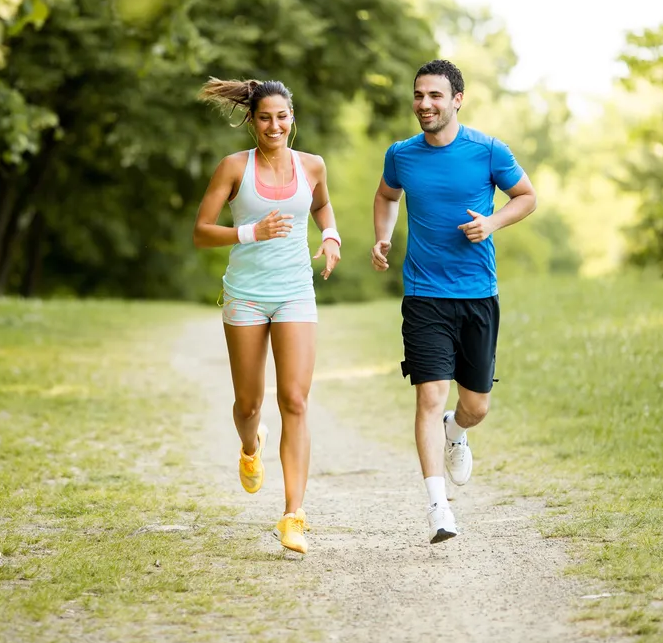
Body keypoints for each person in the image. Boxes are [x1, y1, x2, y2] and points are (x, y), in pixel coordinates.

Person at [370, 59, 537, 544]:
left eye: (435, 96)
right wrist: (383, 236)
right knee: (428, 395)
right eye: (419, 95)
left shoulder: (487, 150)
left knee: (476, 406)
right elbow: (386, 196)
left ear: (457, 100)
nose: (425, 104)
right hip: (424, 295)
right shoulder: (401, 155)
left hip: (477, 294)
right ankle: (438, 508)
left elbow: (526, 196)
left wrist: (492, 223)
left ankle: (457, 432)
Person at [193, 77, 341, 555]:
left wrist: (332, 234)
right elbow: (201, 231)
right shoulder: (234, 167)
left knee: (295, 400)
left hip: (296, 292)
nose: (274, 125)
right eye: (264, 117)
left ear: (291, 118)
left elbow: (320, 205)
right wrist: (250, 232)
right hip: (247, 296)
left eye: (282, 116)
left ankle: (293, 515)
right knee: (249, 405)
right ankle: (250, 445)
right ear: (252, 120)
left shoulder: (312, 165)